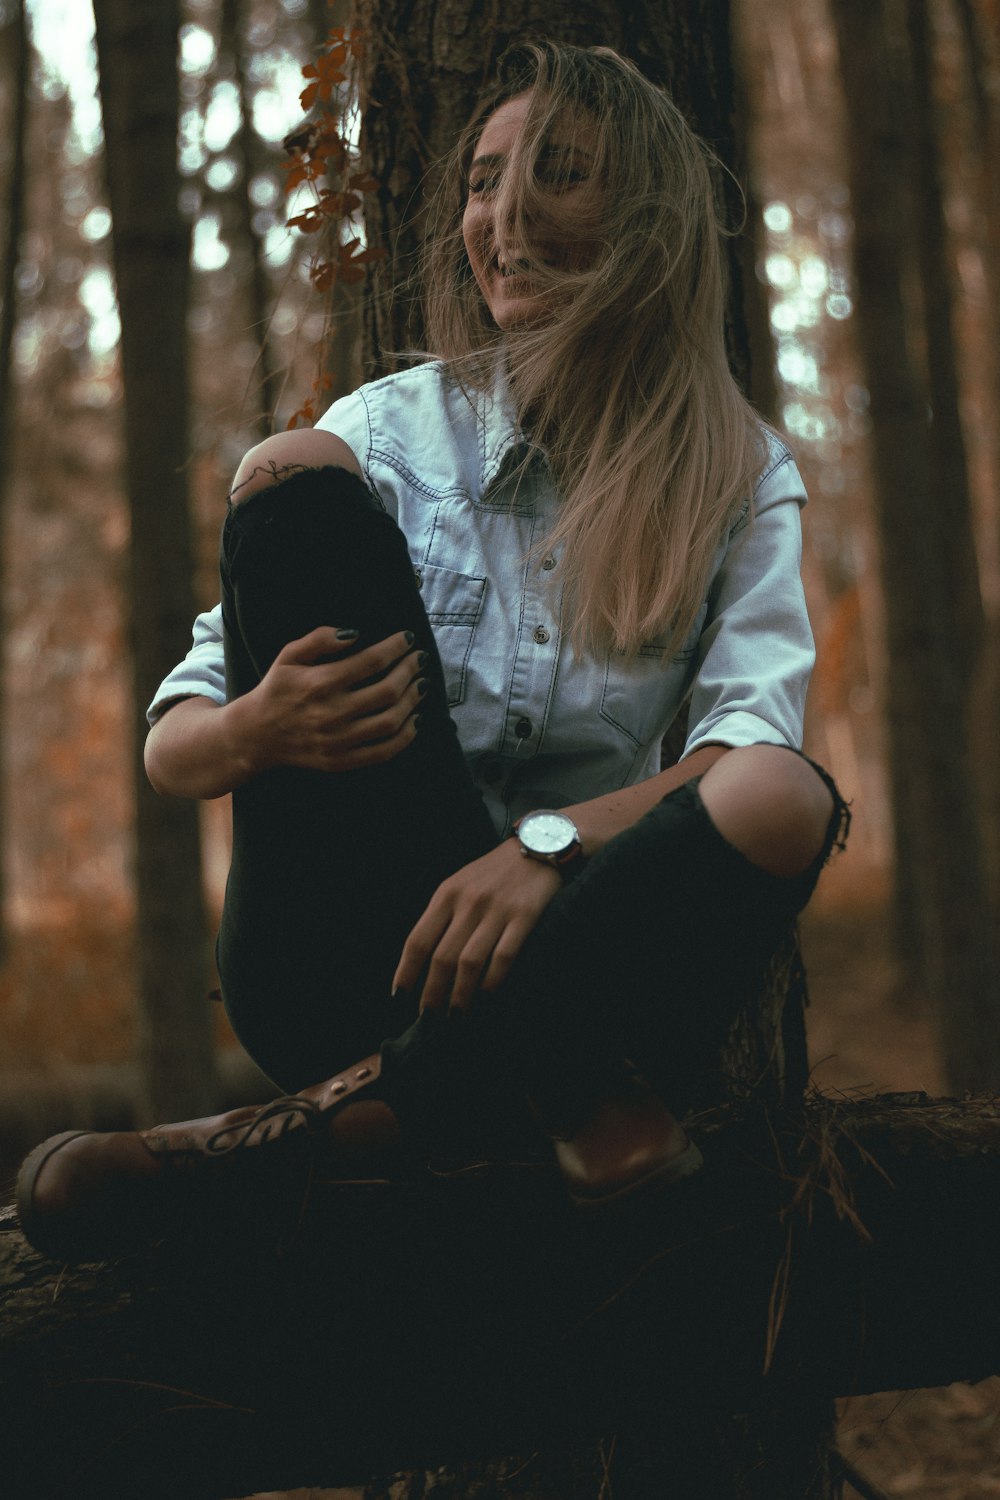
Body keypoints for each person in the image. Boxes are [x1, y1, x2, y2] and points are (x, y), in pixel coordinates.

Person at [17, 41, 848, 1264]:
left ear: (644, 217)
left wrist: (544, 852)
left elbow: (744, 753)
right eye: (481, 183)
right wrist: (258, 728)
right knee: (284, 477)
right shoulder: (384, 436)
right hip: (347, 952)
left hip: (574, 960)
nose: (500, 222)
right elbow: (172, 750)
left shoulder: (734, 471)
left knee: (786, 796)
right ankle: (558, 1096)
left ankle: (351, 1122)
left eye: (556, 176)